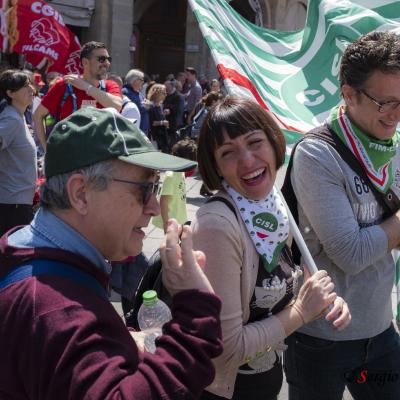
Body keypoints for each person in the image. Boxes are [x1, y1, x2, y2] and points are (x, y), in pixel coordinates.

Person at [0, 107, 224, 399]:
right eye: (145, 188)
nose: (155, 206)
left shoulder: (28, 251)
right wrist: (196, 318)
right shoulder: (56, 310)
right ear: (80, 193)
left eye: (156, 187)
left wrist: (124, 340)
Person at [192, 96, 351, 400]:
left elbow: (273, 288)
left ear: (273, 140)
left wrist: (318, 300)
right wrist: (303, 311)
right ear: (216, 167)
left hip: (265, 381)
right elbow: (225, 348)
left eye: (254, 142)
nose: (248, 161)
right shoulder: (217, 225)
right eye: (228, 153)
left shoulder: (271, 199)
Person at [284, 31, 400, 400]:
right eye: (387, 102)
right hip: (323, 341)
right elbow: (351, 254)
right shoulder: (317, 154)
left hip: (381, 331)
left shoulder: (392, 145)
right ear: (349, 94)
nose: (396, 115)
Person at [33, 41, 122, 151]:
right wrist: (46, 148)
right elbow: (38, 115)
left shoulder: (110, 85)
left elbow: (117, 106)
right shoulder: (63, 85)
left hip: (100, 157)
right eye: (101, 59)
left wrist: (86, 87)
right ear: (85, 62)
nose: (107, 63)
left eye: (109, 59)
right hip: (69, 157)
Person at [0, 69, 37, 236]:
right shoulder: (11, 120)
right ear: (10, 93)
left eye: (30, 84)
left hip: (18, 202)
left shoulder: (18, 117)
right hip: (12, 205)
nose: (31, 89)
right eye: (24, 86)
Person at [153, 138, 197, 232]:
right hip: (171, 218)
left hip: (178, 215)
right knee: (171, 243)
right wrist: (166, 223)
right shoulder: (171, 175)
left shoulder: (180, 172)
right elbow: (163, 200)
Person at [122, 68, 150, 135]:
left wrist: (148, 104)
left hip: (142, 131)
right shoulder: (125, 91)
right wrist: (146, 106)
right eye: (141, 80)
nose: (143, 82)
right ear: (134, 80)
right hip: (133, 131)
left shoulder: (138, 93)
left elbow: (148, 104)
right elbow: (138, 107)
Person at [148, 83, 169, 152]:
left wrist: (163, 114)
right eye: (164, 93)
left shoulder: (160, 105)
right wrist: (163, 122)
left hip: (162, 136)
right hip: (156, 137)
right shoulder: (151, 106)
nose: (166, 95)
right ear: (157, 93)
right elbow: (152, 123)